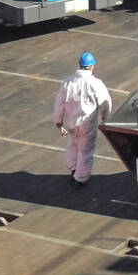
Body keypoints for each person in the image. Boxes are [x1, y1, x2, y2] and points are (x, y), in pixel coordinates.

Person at [53, 52, 113, 188]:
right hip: (87, 124)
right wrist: (105, 117)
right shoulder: (95, 83)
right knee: (85, 151)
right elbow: (105, 102)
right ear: (91, 67)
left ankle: (74, 168)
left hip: (71, 123)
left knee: (73, 145)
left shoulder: (68, 82)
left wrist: (58, 121)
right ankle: (80, 178)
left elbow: (59, 104)